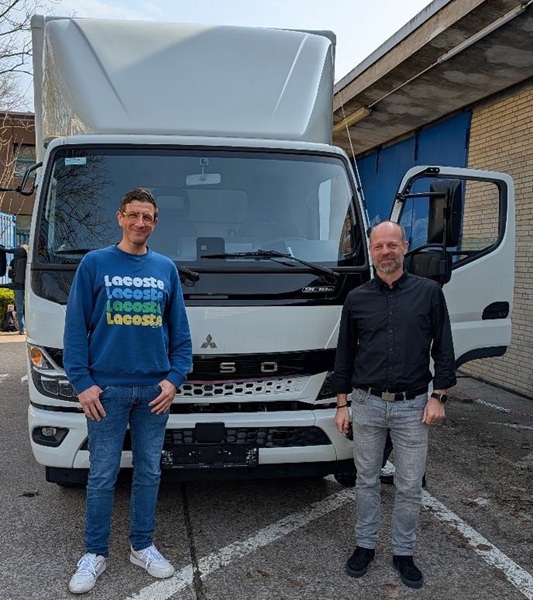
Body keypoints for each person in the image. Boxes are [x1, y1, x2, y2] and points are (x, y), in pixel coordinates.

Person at [64, 188, 192, 594]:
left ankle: (142, 545)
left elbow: (181, 336)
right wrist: (82, 383)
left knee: (149, 471)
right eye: (133, 215)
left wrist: (173, 379)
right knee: (102, 474)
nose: (140, 223)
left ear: (155, 222)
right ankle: (94, 553)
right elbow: (75, 329)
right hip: (106, 392)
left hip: (154, 392)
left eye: (147, 217)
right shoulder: (94, 263)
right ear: (120, 217)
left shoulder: (165, 269)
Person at [333, 220, 455, 589]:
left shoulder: (429, 293)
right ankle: (365, 546)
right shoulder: (356, 299)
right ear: (371, 252)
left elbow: (444, 347)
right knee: (366, 480)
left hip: (413, 407)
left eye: (392, 244)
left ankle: (403, 552)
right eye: (379, 246)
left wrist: (439, 395)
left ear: (405, 246)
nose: (386, 251)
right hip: (366, 404)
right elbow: (344, 354)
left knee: (409, 484)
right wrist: (342, 404)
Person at [9, 244, 28, 334]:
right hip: (18, 286)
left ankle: (26, 328)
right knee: (20, 308)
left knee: (25, 308)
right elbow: (9, 274)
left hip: (26, 286)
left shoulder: (30, 261)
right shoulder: (13, 261)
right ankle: (22, 328)